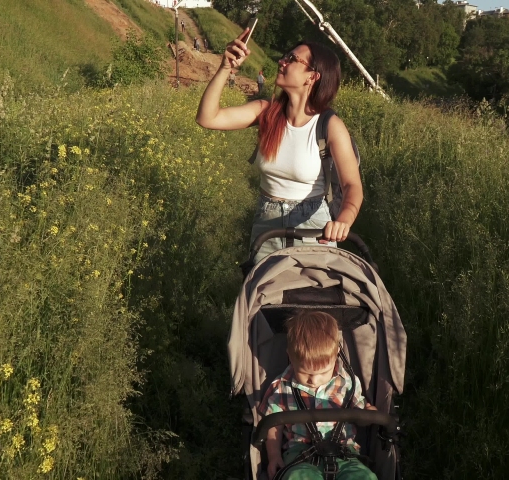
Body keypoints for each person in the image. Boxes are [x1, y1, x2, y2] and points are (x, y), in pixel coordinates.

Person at [195, 28, 362, 261]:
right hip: (267, 224)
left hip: (314, 225)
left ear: (312, 76)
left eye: (292, 59)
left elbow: (352, 185)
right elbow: (207, 118)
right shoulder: (266, 111)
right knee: (265, 293)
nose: (281, 61)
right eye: (285, 56)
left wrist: (343, 221)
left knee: (314, 295)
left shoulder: (330, 125)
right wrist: (225, 67)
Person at [259, 311, 377, 480]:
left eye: (323, 372)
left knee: (364, 476)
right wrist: (274, 455)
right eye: (304, 372)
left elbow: (360, 410)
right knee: (297, 477)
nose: (313, 380)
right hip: (300, 454)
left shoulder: (347, 383)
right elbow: (273, 425)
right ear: (290, 356)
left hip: (344, 451)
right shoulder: (281, 387)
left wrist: (369, 412)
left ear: (337, 353)